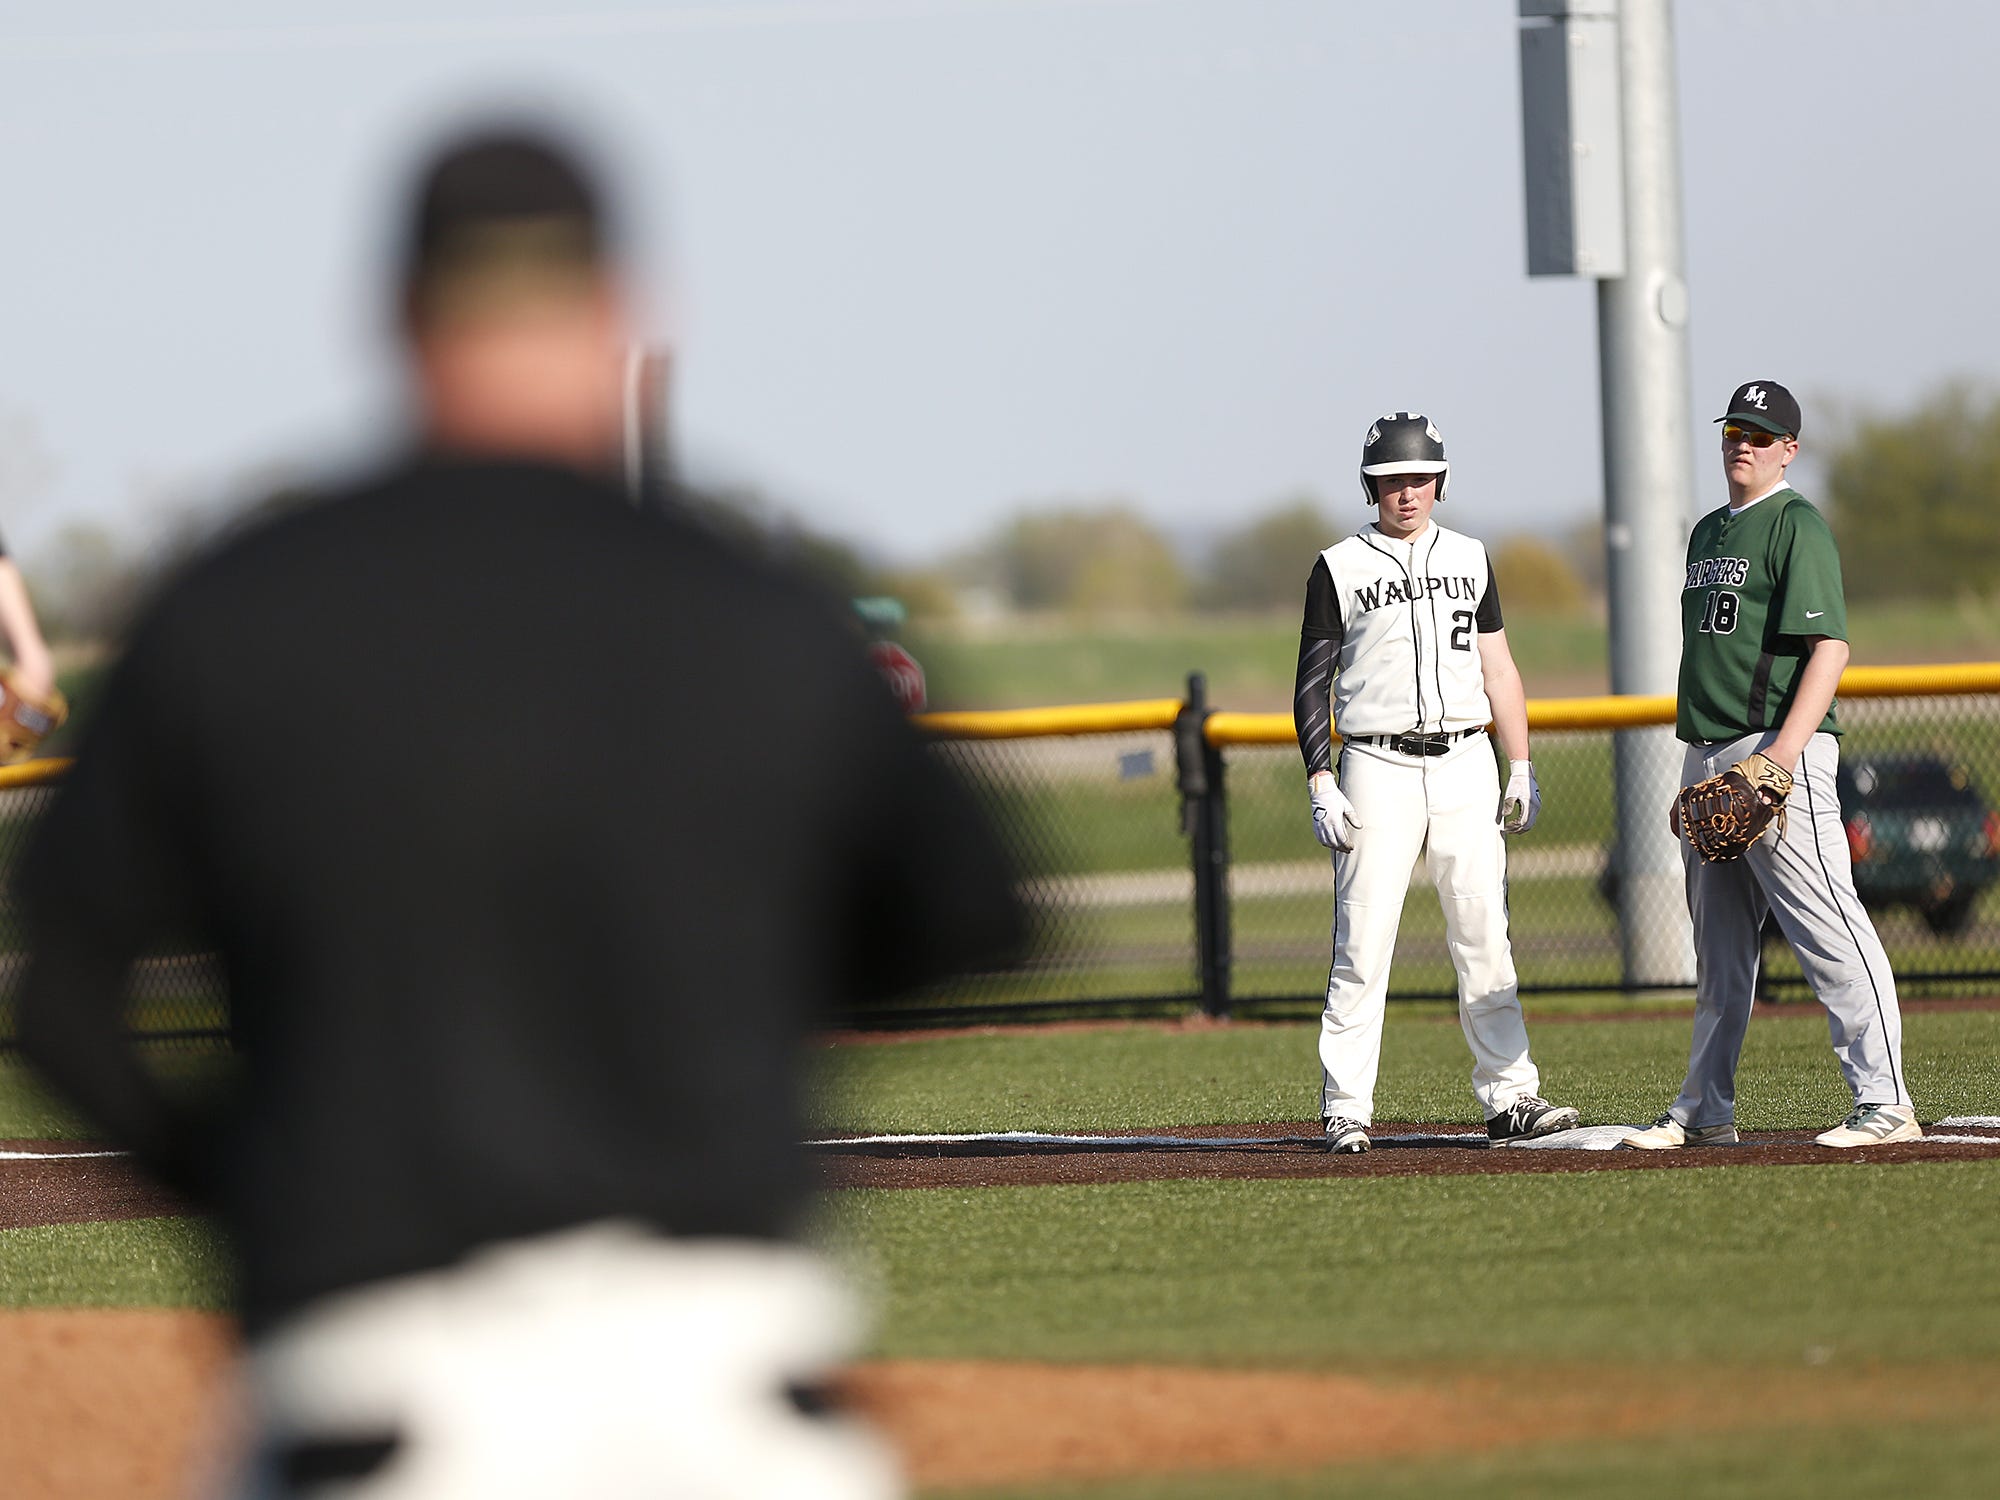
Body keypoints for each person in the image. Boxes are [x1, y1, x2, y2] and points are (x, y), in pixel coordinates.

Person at [14, 123, 1019, 1498]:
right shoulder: (752, 605)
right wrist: (718, 1000)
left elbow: (63, 996)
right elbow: (977, 915)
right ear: (622, 312)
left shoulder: (244, 605)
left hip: (383, 1397)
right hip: (732, 1407)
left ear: (393, 313)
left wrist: (245, 1178)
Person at [1622, 380, 1917, 1151]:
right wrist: (1706, 766)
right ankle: (1704, 1108)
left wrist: (1780, 761)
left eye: (1760, 434)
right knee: (1719, 955)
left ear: (1789, 448)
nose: (1742, 444)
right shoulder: (1708, 531)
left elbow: (1832, 649)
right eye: (1733, 431)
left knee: (1830, 930)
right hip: (1712, 755)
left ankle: (1885, 1101)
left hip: (1773, 750)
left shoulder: (1797, 525)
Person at [1293, 412, 1579, 1153]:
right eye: (1391, 480)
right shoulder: (1339, 565)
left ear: (1440, 481)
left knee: (1484, 934)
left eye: (1419, 477)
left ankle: (1511, 1097)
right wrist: (1320, 776)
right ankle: (1347, 1106)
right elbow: (1312, 681)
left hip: (1463, 761)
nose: (1406, 492)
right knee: (1362, 943)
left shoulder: (1473, 557)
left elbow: (1499, 667)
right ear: (1370, 486)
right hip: (1376, 763)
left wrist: (1519, 762)